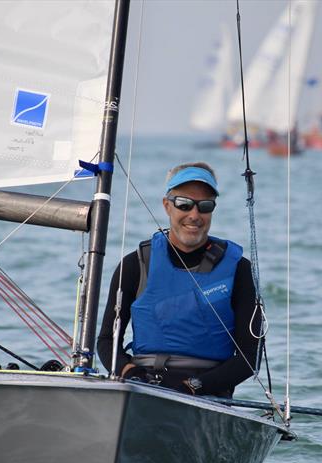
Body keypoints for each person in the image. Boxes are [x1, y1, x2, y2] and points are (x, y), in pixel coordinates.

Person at [96, 162, 261, 397]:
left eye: (204, 206)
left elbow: (249, 356)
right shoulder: (135, 264)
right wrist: (128, 372)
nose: (194, 215)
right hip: (142, 387)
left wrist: (193, 387)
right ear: (167, 205)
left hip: (206, 394)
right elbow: (105, 341)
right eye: (184, 204)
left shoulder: (239, 269)